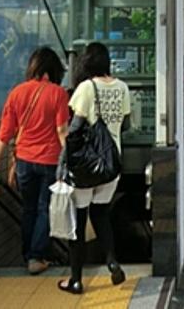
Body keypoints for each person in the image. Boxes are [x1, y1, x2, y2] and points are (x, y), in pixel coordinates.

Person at [59, 42, 131, 295]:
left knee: (78, 222)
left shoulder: (86, 88)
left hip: (86, 166)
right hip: (111, 164)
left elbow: (75, 128)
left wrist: (63, 162)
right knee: (101, 215)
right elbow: (126, 125)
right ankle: (112, 262)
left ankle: (76, 280)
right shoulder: (122, 87)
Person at [0, 47, 69, 275]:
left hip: (24, 160)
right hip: (50, 160)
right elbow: (61, 130)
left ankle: (28, 255)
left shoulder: (17, 92)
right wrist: (69, 158)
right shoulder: (58, 93)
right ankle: (36, 256)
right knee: (45, 208)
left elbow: (6, 131)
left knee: (29, 209)